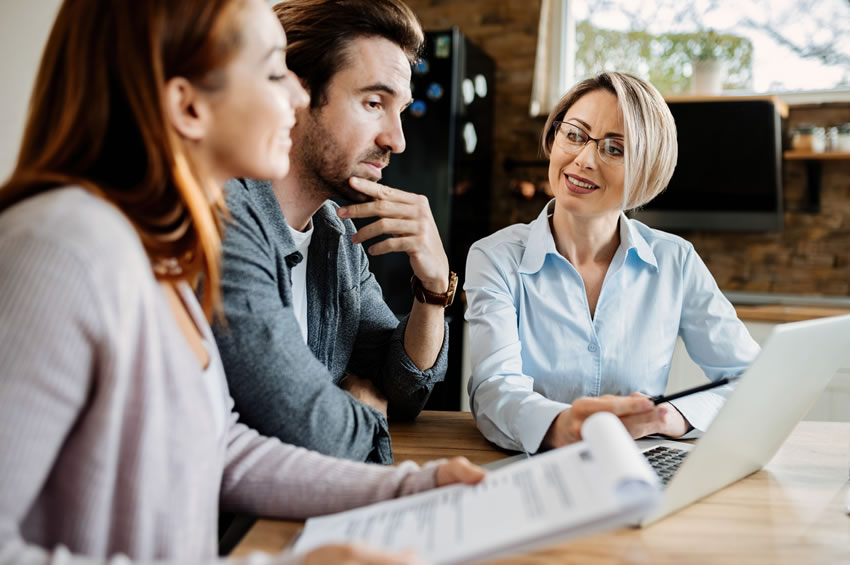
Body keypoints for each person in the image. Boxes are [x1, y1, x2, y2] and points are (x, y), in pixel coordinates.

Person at [0, 1, 484, 564]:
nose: (298, 97)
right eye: (275, 70)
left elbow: (222, 449)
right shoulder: (62, 249)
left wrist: (408, 489)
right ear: (187, 106)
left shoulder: (162, 254)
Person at [464, 72, 760, 454]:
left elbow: (749, 380)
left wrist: (670, 416)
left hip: (635, 472)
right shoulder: (495, 257)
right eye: (574, 135)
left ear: (646, 170)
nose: (583, 160)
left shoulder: (676, 261)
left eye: (615, 149)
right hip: (530, 469)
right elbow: (494, 391)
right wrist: (566, 425)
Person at [213, 0, 456, 465]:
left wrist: (433, 288)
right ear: (298, 95)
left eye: (399, 109)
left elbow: (404, 392)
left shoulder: (337, 235)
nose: (397, 140)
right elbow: (309, 429)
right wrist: (362, 409)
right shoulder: (229, 217)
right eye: (373, 103)